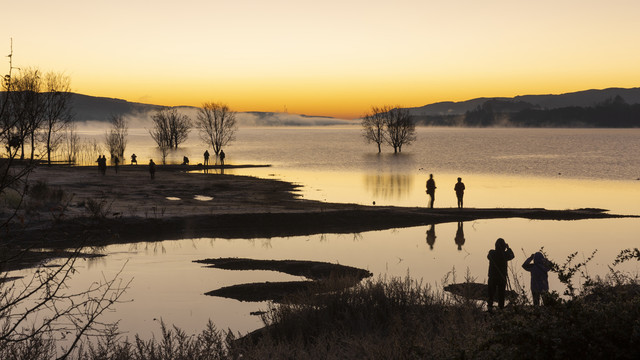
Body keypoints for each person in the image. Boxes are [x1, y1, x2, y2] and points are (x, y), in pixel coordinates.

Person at [487, 238, 514, 311]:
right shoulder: (505, 255)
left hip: (492, 277)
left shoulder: (492, 253)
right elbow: (512, 255)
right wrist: (508, 248)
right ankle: (501, 308)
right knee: (501, 294)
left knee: (491, 294)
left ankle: (490, 307)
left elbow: (488, 256)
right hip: (502, 277)